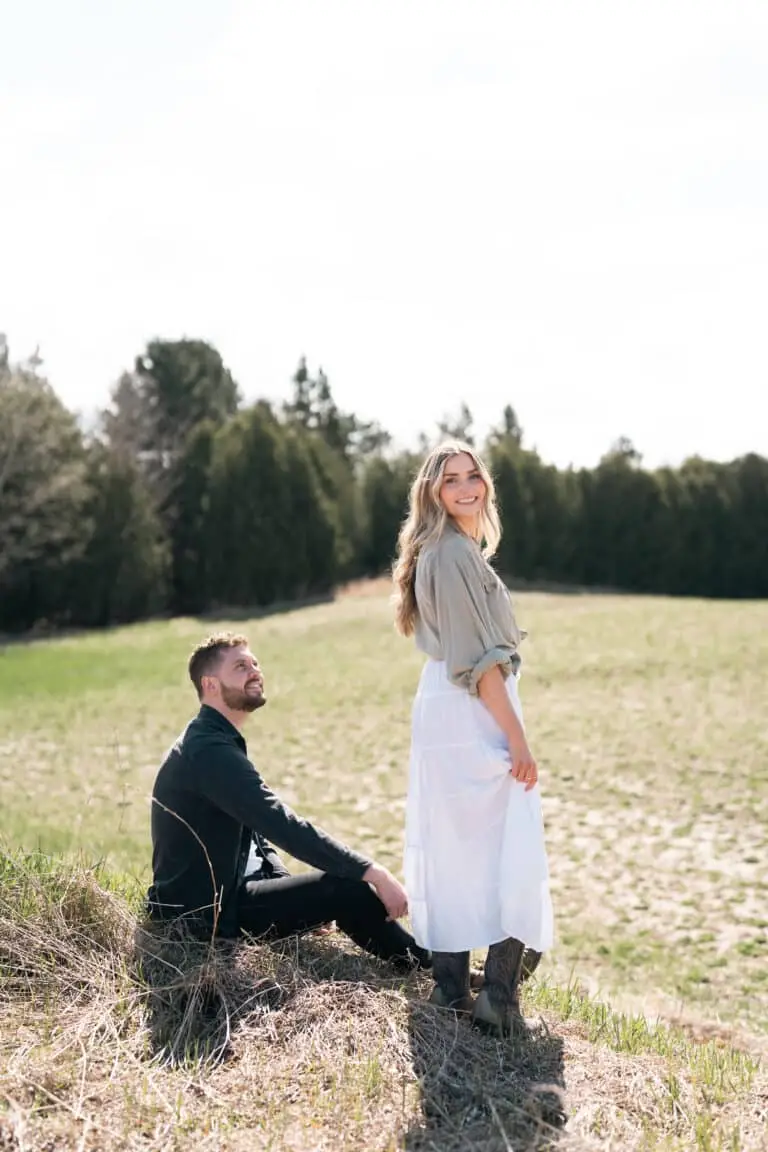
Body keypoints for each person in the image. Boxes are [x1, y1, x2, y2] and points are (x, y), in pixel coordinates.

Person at [147, 632, 431, 972]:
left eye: (255, 663)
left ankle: (433, 965)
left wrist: (291, 895)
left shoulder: (213, 739)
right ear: (210, 684)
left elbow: (255, 831)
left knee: (331, 892)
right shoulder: (208, 751)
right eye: (240, 667)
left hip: (228, 894)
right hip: (203, 916)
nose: (254, 671)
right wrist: (373, 872)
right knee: (345, 888)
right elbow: (281, 823)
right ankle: (432, 970)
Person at [392, 440, 554, 1034]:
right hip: (470, 708)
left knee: (458, 849)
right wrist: (519, 739)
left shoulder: (445, 549)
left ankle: (451, 990)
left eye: (473, 477)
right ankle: (497, 1001)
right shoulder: (451, 555)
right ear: (432, 492)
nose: (466, 488)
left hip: (447, 707)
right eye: (451, 480)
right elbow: (482, 663)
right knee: (510, 848)